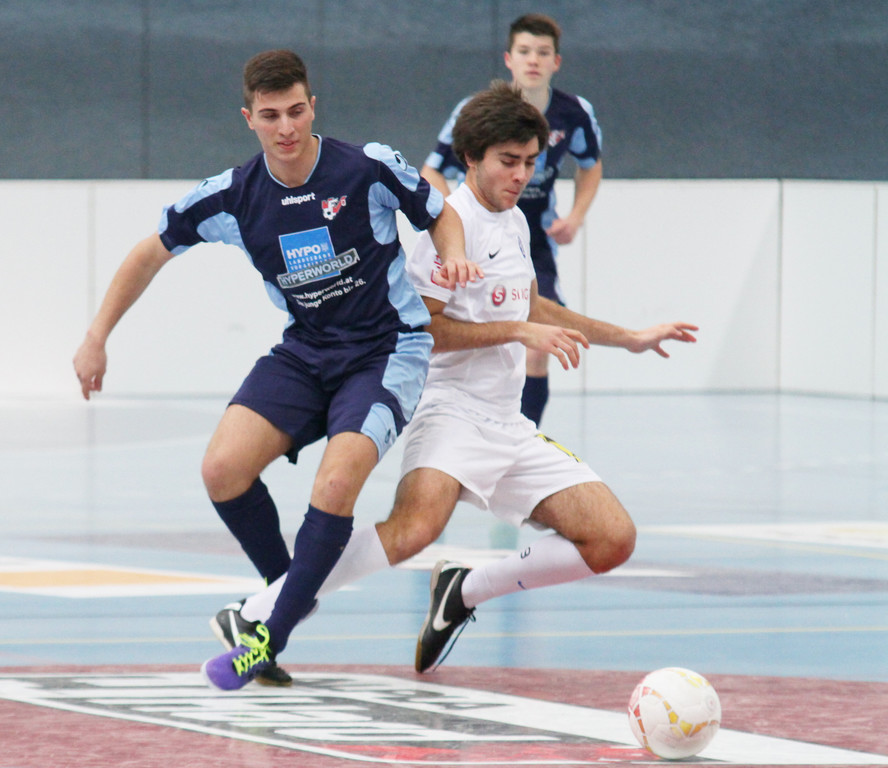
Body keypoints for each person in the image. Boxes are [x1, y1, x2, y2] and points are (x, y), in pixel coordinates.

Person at [212, 81, 696, 675]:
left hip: (505, 423)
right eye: (508, 161)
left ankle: (462, 590)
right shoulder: (451, 227)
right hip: (446, 408)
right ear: (470, 157)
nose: (521, 175)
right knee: (414, 529)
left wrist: (629, 338)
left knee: (613, 539)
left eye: (530, 163)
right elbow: (426, 328)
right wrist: (517, 332)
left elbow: (534, 307)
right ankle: (255, 611)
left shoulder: (515, 222)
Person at [72, 49, 480, 691]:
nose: (286, 127)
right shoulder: (233, 196)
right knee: (221, 469)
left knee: (336, 483)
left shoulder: (366, 167)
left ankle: (268, 636)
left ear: (312, 106)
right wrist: (96, 336)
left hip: (386, 350)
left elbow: (441, 213)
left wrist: (452, 256)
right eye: (270, 116)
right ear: (249, 119)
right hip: (307, 350)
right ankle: (284, 591)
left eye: (296, 111)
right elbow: (149, 253)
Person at [422, 13, 603, 427]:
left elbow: (591, 165)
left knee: (539, 342)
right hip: (475, 242)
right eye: (524, 51)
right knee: (481, 332)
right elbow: (432, 169)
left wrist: (576, 216)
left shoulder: (574, 112)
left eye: (543, 52)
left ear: (556, 61)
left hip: (533, 238)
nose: (533, 60)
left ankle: (524, 433)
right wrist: (456, 224)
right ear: (508, 58)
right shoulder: (476, 113)